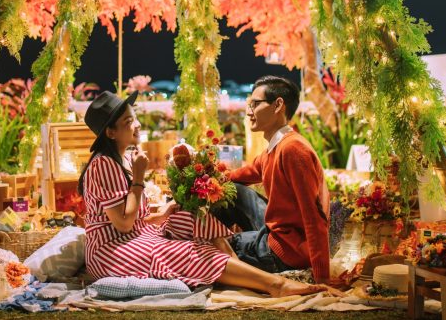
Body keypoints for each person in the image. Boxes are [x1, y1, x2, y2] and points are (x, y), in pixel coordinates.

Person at [79, 91, 338, 297]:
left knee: (193, 218)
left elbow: (135, 220)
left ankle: (242, 273)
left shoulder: (125, 160)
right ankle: (274, 284)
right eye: (128, 122)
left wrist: (166, 211)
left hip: (136, 235)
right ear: (110, 133)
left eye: (134, 117)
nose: (136, 125)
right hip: (113, 249)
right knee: (186, 250)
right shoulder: (104, 164)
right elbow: (123, 225)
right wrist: (137, 179)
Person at [212, 76, 331, 283]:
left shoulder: (293, 150)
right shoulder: (275, 147)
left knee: (209, 247)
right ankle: (203, 232)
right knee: (230, 189)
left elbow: (314, 217)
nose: (249, 111)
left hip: (286, 252)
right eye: (249, 104)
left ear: (278, 105)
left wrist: (322, 278)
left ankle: (203, 241)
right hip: (281, 232)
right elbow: (245, 174)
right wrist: (208, 181)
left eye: (255, 104)